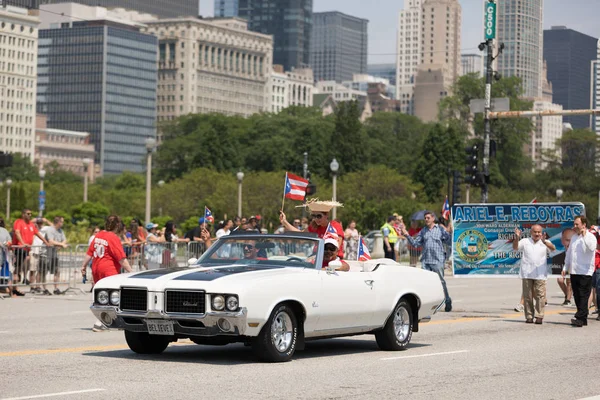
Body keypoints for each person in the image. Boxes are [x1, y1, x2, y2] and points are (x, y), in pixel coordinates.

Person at [80, 215, 133, 332]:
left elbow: (89, 252)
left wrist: (83, 265)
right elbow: (121, 258)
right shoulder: (113, 238)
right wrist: (131, 272)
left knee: (101, 296)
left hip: (96, 268)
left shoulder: (98, 235)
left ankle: (108, 320)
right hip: (109, 269)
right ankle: (101, 322)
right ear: (118, 225)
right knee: (112, 296)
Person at [401, 211, 453, 312]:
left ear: (433, 218)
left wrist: (451, 232)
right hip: (426, 260)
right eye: (425, 218)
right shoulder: (423, 231)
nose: (426, 220)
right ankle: (429, 304)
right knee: (426, 283)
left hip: (437, 260)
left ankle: (447, 300)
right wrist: (407, 235)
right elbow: (416, 244)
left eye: (428, 218)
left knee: (441, 282)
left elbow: (449, 241)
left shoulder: (440, 229)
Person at [513, 225, 556, 324]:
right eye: (535, 232)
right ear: (531, 232)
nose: (537, 234)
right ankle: (529, 316)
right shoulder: (525, 241)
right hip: (527, 272)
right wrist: (516, 237)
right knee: (527, 295)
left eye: (539, 232)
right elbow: (515, 247)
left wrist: (545, 242)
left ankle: (539, 315)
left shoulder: (545, 242)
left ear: (542, 232)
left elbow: (553, 249)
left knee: (540, 295)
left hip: (540, 274)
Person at [279, 199, 344, 259]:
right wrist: (285, 222)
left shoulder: (335, 225)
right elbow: (301, 234)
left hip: (334, 259)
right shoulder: (314, 226)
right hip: (317, 258)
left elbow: (337, 247)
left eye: (319, 216)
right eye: (314, 216)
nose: (316, 219)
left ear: (327, 215)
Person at [562, 215, 597, 327]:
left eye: (577, 224)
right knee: (577, 295)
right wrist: (565, 268)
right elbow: (569, 254)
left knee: (583, 295)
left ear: (584, 225)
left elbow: (591, 248)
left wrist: (585, 235)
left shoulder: (591, 237)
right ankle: (583, 318)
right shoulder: (574, 238)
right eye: (574, 224)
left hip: (585, 271)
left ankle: (580, 318)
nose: (575, 226)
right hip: (574, 271)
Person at [11, 209, 50, 296]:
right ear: (23, 214)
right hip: (20, 249)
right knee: (17, 270)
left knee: (20, 269)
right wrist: (22, 242)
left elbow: (38, 234)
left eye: (31, 214)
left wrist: (46, 242)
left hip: (26, 250)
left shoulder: (31, 225)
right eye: (28, 214)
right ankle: (13, 289)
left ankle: (16, 287)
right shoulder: (19, 222)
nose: (30, 215)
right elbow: (17, 232)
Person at [42, 216, 68, 295]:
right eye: (62, 222)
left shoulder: (60, 230)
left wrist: (61, 244)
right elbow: (51, 241)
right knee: (44, 272)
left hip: (54, 254)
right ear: (58, 222)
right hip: (46, 254)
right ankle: (44, 288)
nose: (63, 223)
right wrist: (61, 244)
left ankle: (56, 288)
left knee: (57, 271)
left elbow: (64, 239)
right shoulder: (50, 230)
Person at [552, 228, 575, 306]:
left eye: (571, 240)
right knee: (560, 280)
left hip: (573, 264)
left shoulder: (575, 252)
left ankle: (568, 299)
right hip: (563, 264)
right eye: (567, 240)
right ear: (562, 240)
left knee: (569, 282)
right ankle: (567, 295)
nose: (569, 243)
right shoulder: (557, 256)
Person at [0, 217, 12, 296]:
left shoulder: (4, 230)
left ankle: (7, 289)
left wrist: (7, 244)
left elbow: (10, 241)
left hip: (3, 255)